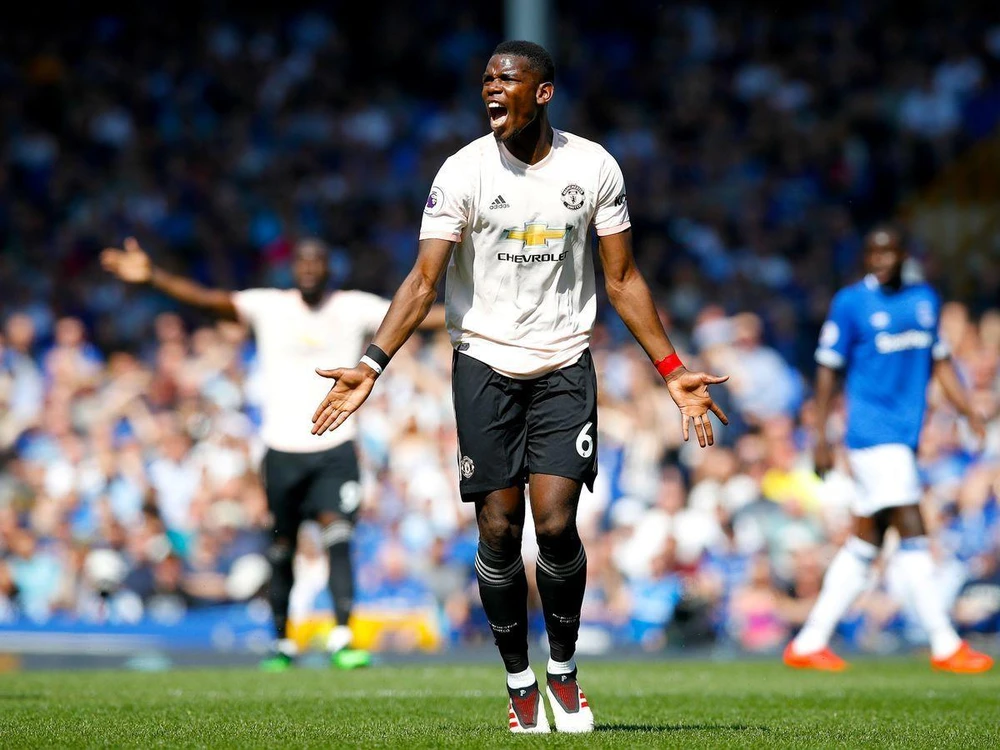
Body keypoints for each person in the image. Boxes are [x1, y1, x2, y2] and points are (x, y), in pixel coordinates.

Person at [309, 40, 729, 733]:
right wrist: (373, 363)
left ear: (543, 92)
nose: (492, 88)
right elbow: (423, 280)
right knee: (499, 531)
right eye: (486, 80)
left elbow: (622, 279)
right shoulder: (462, 172)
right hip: (483, 363)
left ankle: (563, 672)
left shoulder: (593, 167)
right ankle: (519, 683)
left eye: (507, 78)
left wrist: (673, 371)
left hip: (564, 363)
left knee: (556, 526)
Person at [100, 236, 445, 671]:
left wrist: (482, 311)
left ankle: (342, 637)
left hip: (335, 446)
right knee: (281, 546)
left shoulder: (353, 307)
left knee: (338, 538)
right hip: (281, 448)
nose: (309, 268)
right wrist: (154, 277)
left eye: (317, 261)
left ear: (329, 268)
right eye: (302, 262)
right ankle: (281, 642)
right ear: (292, 269)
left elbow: (416, 312)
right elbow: (207, 300)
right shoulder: (269, 307)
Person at [783, 226, 993, 674]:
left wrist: (968, 411)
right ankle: (945, 642)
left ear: (902, 255)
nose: (880, 260)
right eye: (873, 253)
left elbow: (939, 362)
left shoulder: (924, 300)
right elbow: (827, 368)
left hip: (905, 436)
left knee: (867, 541)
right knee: (912, 533)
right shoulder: (851, 303)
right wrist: (820, 436)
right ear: (865, 257)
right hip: (873, 435)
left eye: (888, 252)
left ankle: (809, 641)